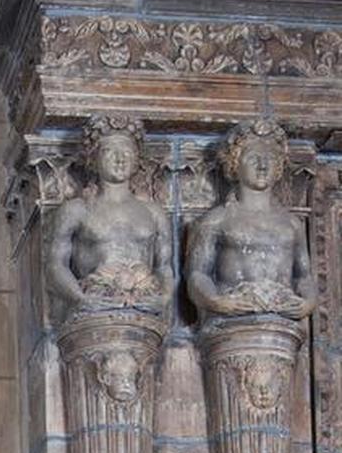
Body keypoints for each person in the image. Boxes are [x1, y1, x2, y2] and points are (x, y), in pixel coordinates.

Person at [186, 119, 315, 323]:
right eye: (254, 158)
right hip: (233, 319)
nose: (263, 166)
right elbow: (197, 274)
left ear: (280, 166)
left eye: (271, 158)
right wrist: (215, 301)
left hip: (282, 319)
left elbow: (303, 276)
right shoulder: (217, 219)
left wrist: (308, 301)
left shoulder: (292, 224)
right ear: (235, 163)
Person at [47, 115, 173, 317]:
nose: (120, 159)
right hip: (95, 307)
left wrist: (164, 298)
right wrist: (81, 298)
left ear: (137, 159)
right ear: (94, 159)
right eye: (109, 151)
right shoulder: (76, 209)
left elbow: (165, 267)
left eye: (127, 151)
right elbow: (56, 265)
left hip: (146, 307)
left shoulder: (154, 212)